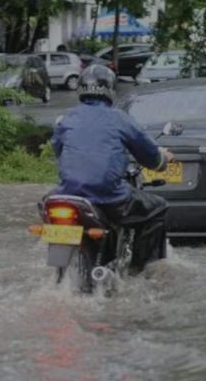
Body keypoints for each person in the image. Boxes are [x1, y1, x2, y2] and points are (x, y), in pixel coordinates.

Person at [51, 64, 173, 273]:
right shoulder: (120, 119)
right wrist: (164, 159)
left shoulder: (66, 119)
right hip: (108, 197)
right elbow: (152, 159)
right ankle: (139, 272)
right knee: (158, 207)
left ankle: (59, 273)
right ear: (110, 89)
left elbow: (58, 150)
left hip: (67, 195)